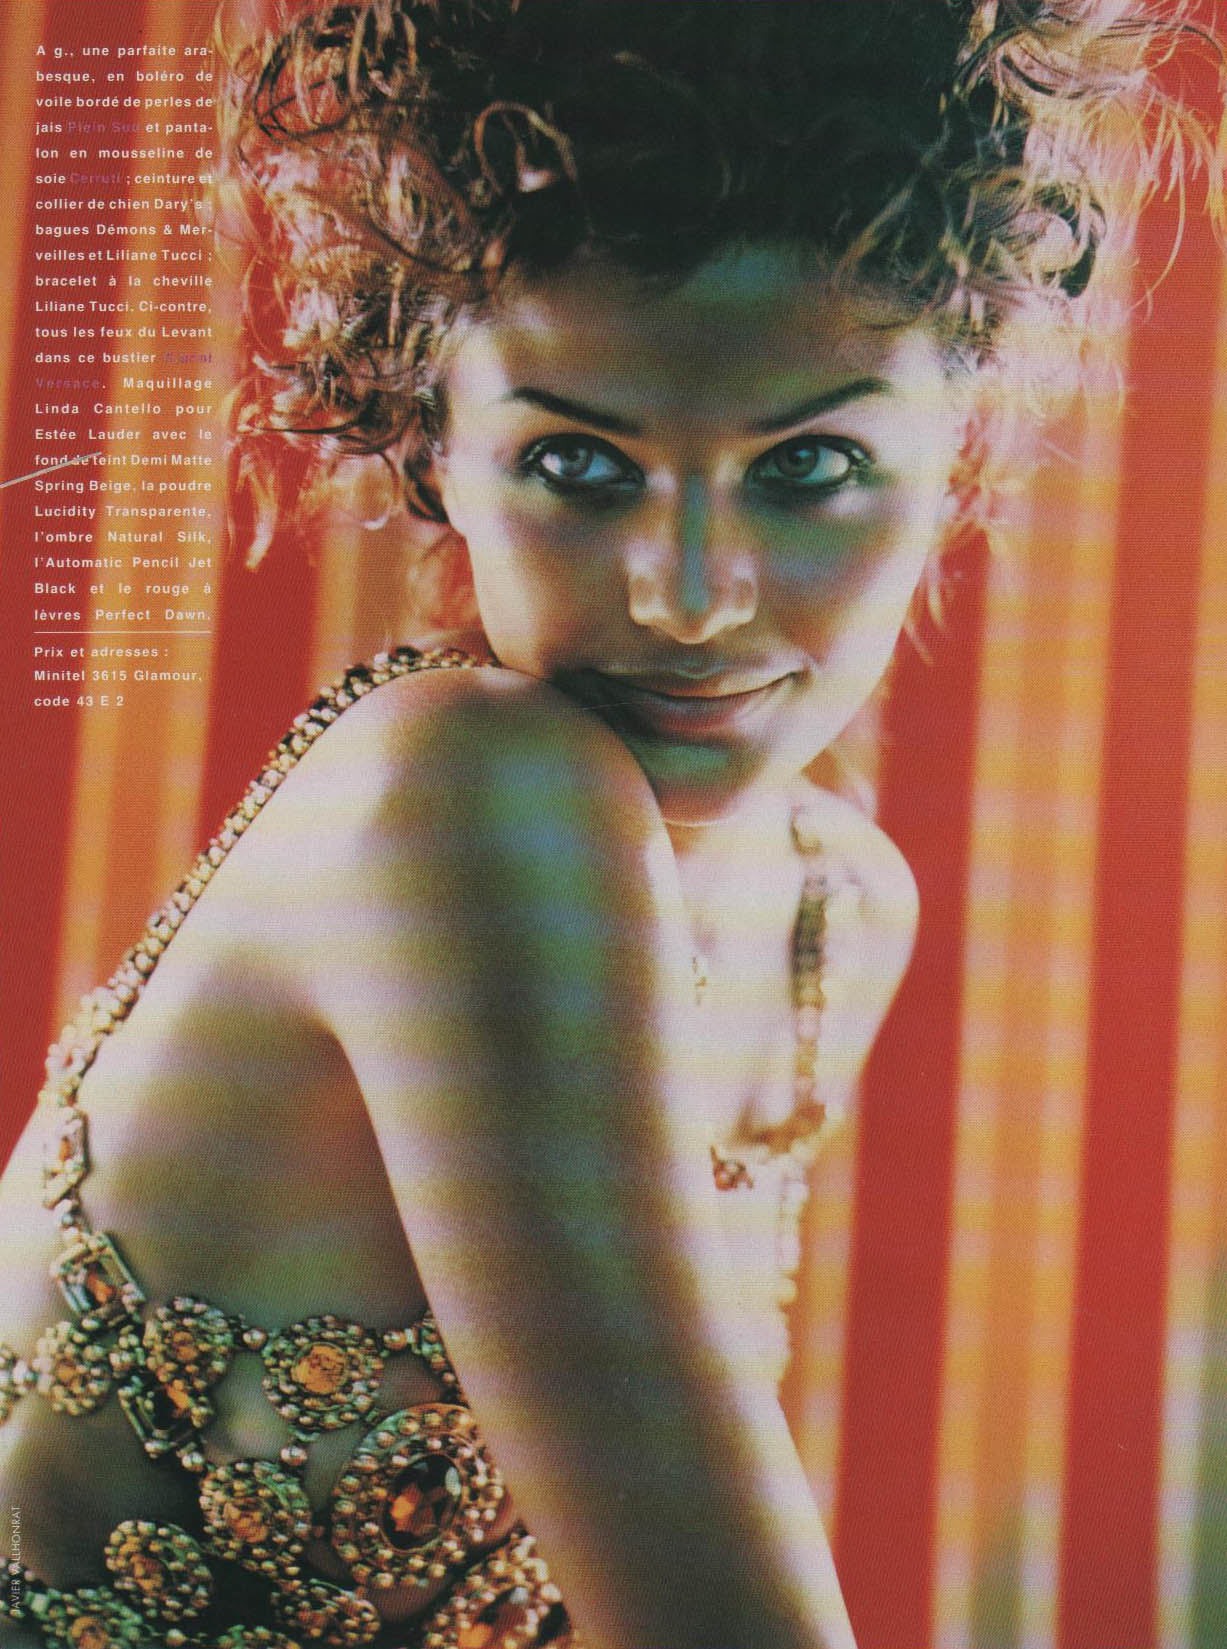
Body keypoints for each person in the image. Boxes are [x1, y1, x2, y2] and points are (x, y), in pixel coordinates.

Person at [0, 3, 1219, 1645]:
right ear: (439, 445)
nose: (690, 595)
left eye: (808, 467)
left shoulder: (832, 918)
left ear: (958, 441)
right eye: (579, 466)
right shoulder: (460, 795)